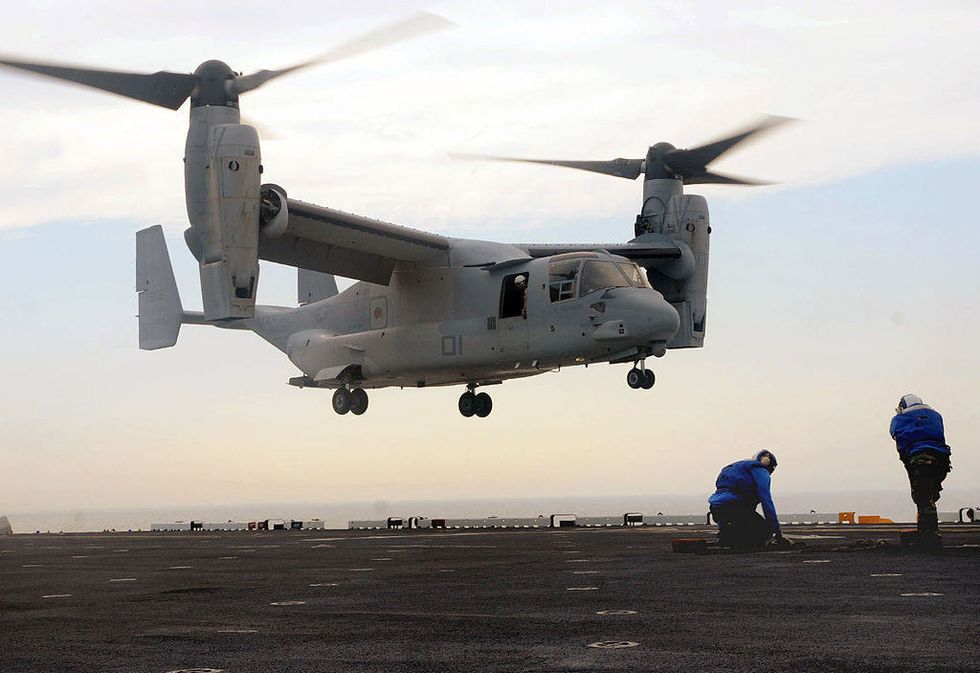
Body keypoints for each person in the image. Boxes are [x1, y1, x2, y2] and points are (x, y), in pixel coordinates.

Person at [889, 394, 952, 548]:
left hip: (920, 459)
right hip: (942, 459)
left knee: (923, 497)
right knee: (930, 495)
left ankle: (930, 538)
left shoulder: (900, 418)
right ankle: (927, 532)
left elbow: (897, 437)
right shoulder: (936, 415)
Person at [708, 450, 787, 550]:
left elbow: (723, 500)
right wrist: (777, 532)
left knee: (743, 521)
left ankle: (728, 537)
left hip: (716, 508)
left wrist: (722, 528)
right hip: (735, 507)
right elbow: (766, 501)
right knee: (765, 531)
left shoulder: (730, 469)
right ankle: (739, 541)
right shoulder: (760, 470)